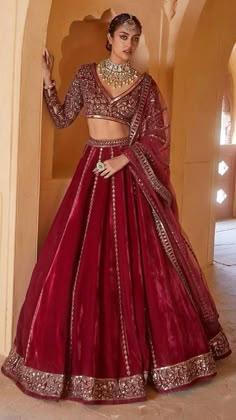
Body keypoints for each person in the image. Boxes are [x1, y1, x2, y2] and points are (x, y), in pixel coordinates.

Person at [1, 13, 231, 405]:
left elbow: (155, 137)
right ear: (109, 37)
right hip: (91, 174)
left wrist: (124, 160)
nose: (129, 44)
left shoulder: (144, 87)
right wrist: (46, 80)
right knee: (81, 268)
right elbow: (61, 118)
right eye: (123, 36)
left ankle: (154, 359)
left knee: (144, 267)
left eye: (135, 38)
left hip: (127, 175)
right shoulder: (88, 75)